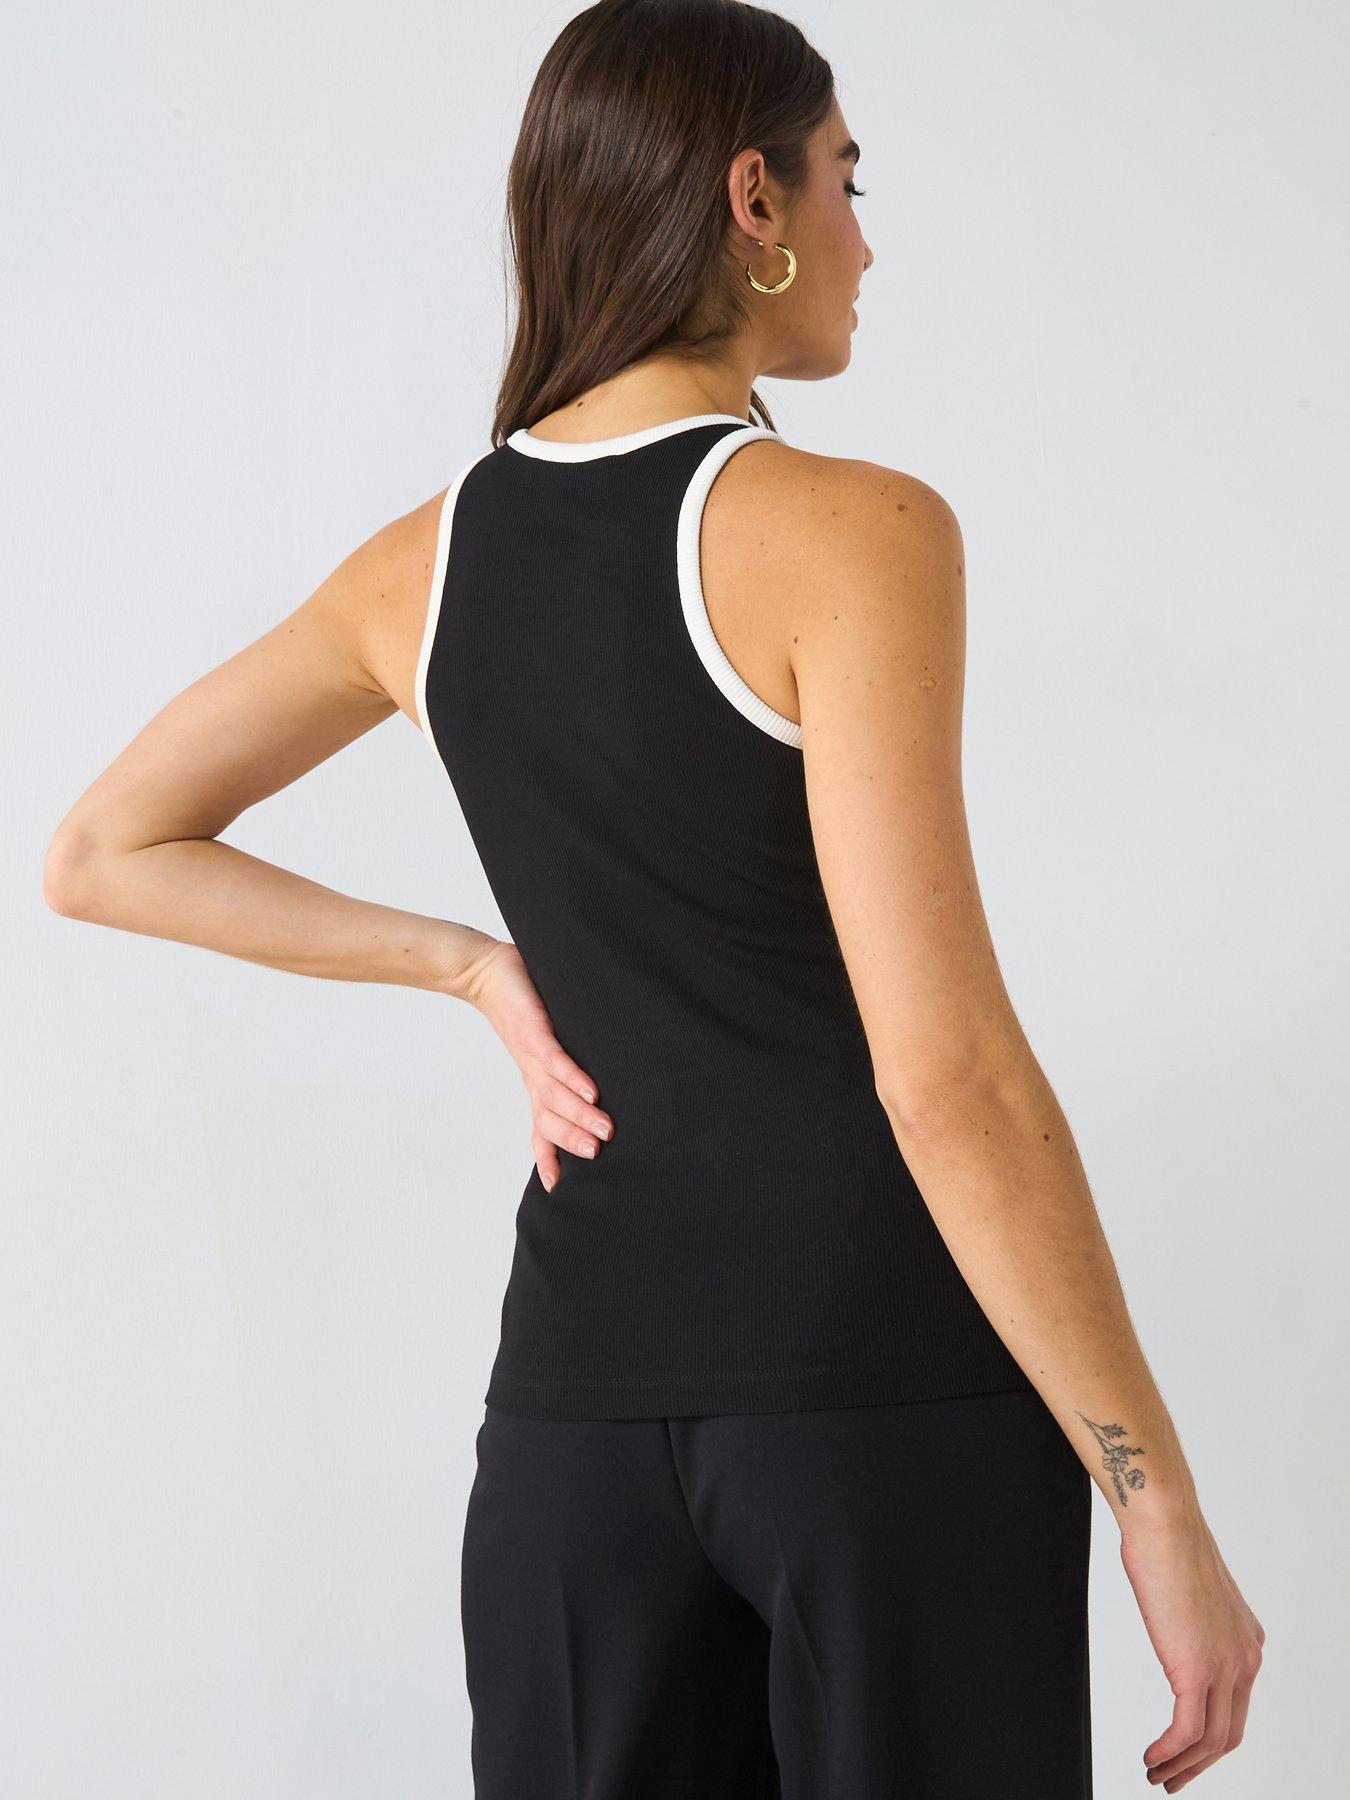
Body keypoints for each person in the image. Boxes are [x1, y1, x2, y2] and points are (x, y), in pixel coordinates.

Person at [43, 1, 1263, 1795]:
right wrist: (1150, 1495)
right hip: (875, 1401)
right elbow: (945, 1077)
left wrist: (469, 967)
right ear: (751, 198)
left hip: (571, 1435)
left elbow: (102, 849)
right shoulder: (855, 529)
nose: (865, 241)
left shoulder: (420, 566)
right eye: (846, 181)